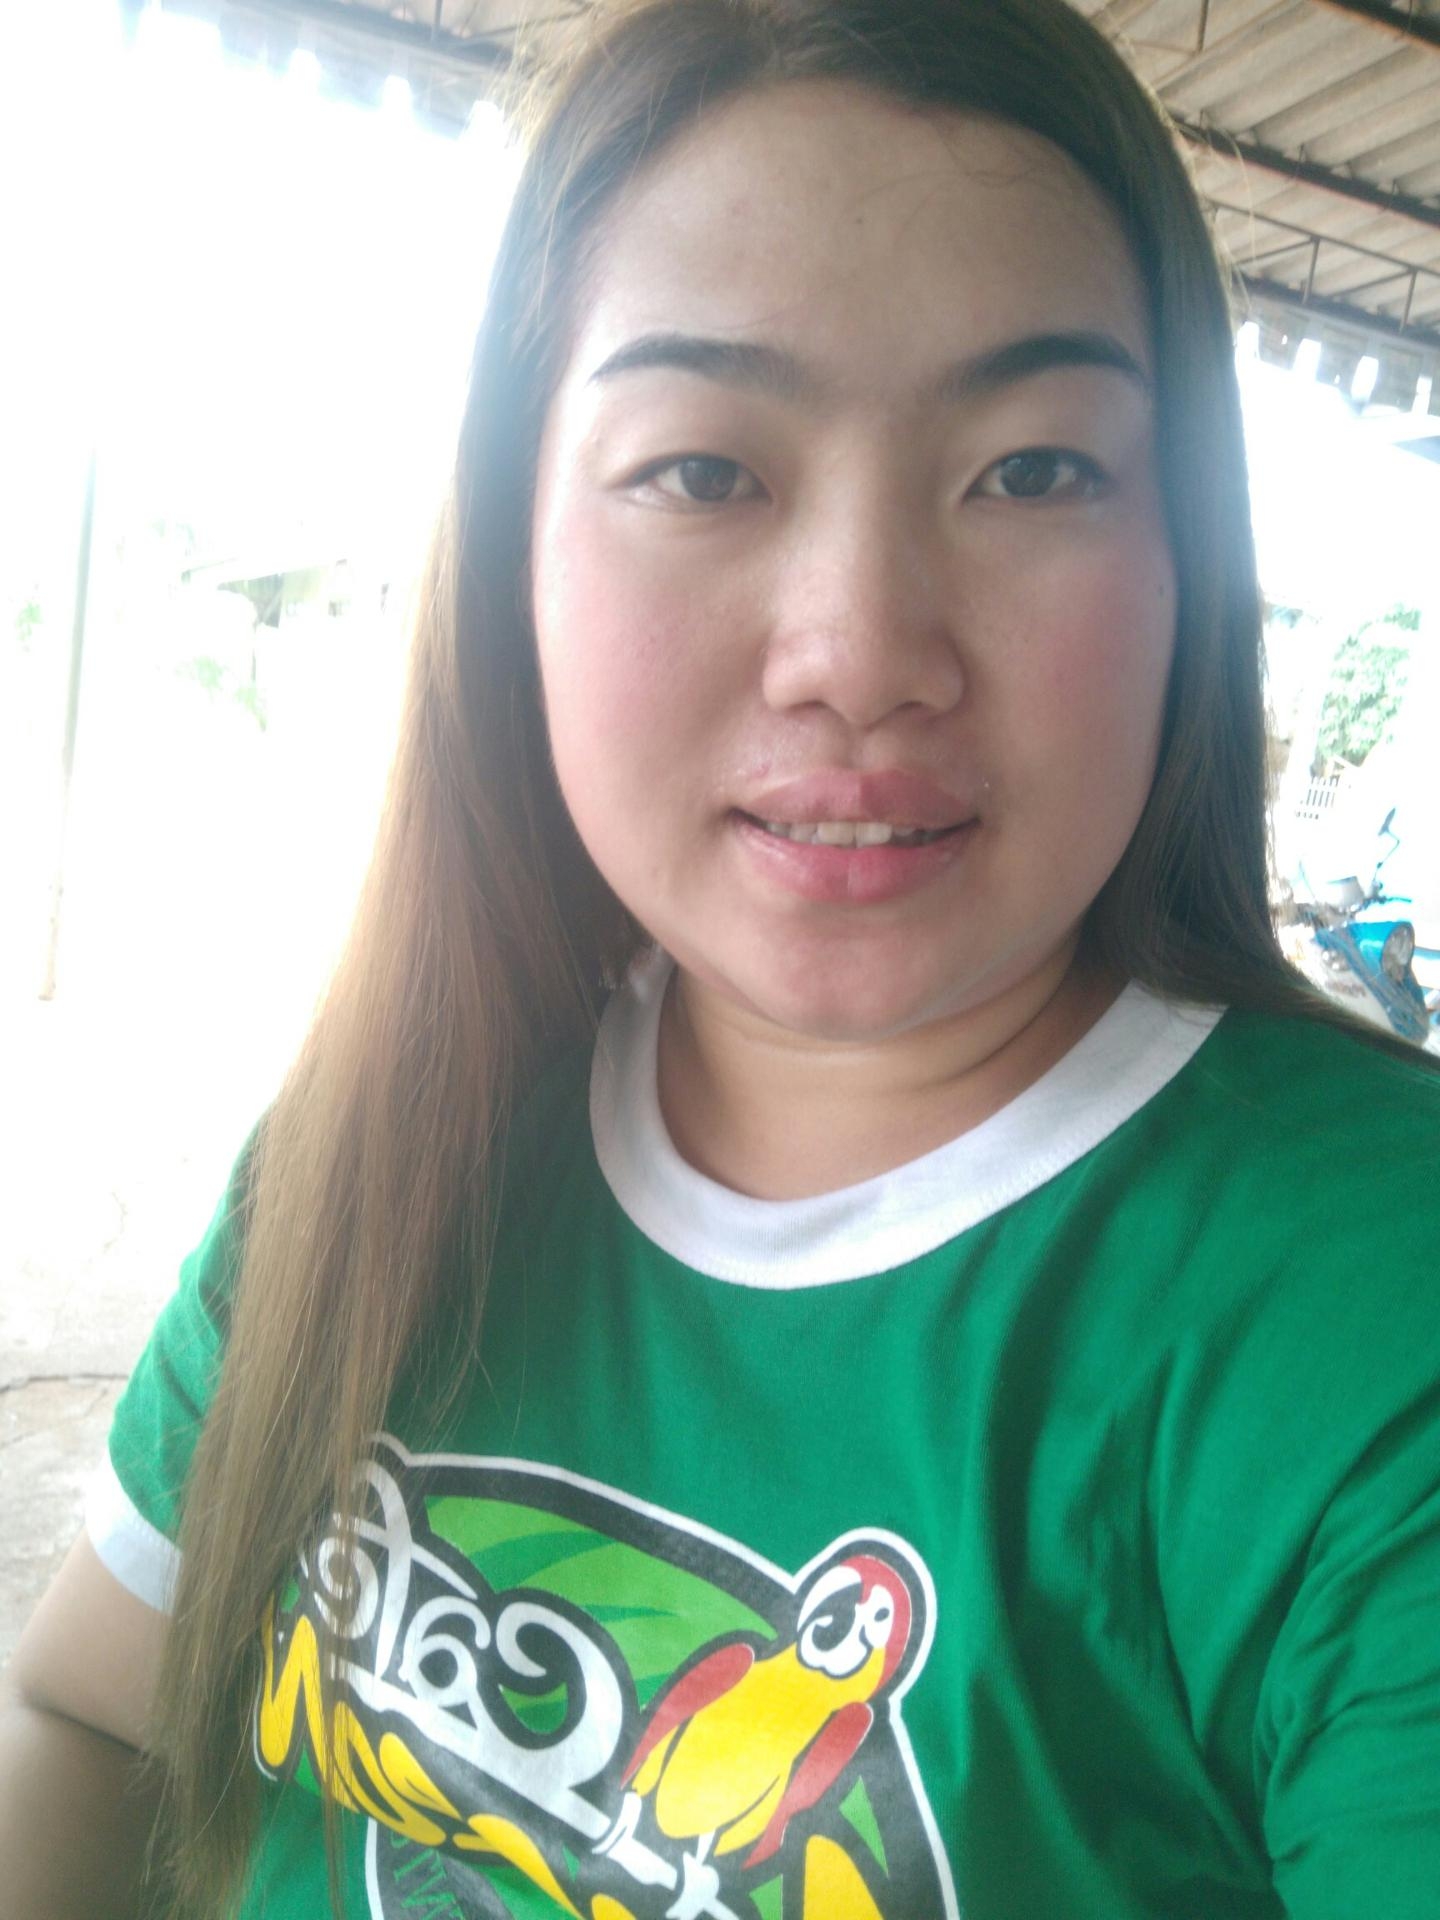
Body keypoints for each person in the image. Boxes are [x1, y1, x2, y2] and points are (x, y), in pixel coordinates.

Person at [2, 1, 1437, 1916]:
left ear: (1189, 558)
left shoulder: (1368, 1319)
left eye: (1033, 470)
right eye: (700, 470)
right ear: (513, 550)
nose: (859, 651)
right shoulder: (397, 1125)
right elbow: (90, 1720)